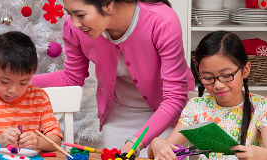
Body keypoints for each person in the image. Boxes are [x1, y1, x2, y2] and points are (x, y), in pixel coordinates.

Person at [31, 0, 195, 157]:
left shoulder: (162, 21)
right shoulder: (75, 29)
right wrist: (19, 82)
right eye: (70, 14)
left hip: (166, 117)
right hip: (118, 114)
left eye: (80, 15)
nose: (74, 23)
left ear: (108, 4)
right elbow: (71, 77)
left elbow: (175, 97)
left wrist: (135, 143)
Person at [147, 31, 267, 160]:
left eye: (226, 75)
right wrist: (156, 143)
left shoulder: (263, 107)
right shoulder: (197, 107)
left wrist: (265, 155)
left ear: (245, 70)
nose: (218, 85)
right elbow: (160, 152)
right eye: (207, 77)